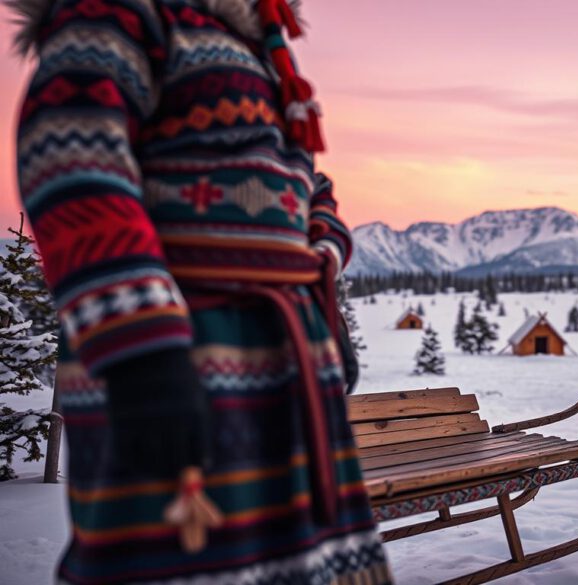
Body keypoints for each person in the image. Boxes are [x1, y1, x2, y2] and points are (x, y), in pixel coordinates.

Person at [12, 0, 393, 583]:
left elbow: (307, 185)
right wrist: (142, 351)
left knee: (305, 561)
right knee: (182, 557)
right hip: (181, 348)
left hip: (288, 354)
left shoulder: (257, 49)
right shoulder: (117, 14)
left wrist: (318, 282)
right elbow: (71, 161)